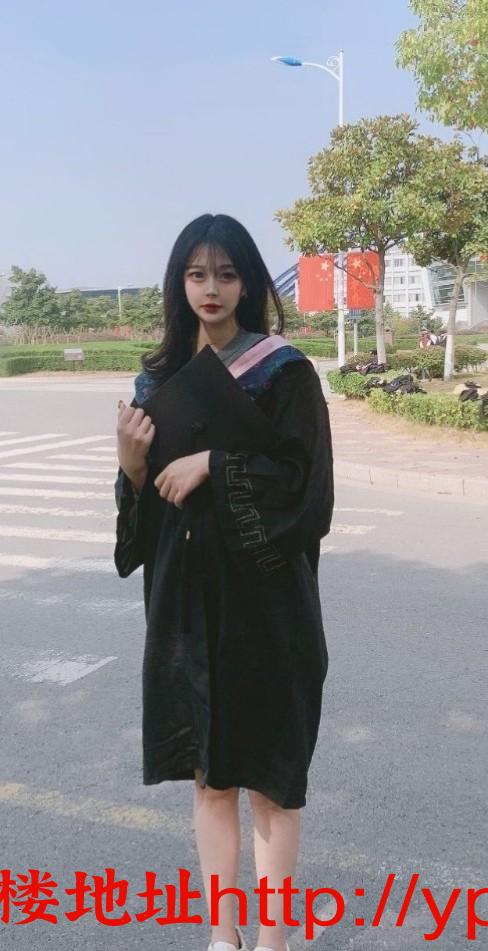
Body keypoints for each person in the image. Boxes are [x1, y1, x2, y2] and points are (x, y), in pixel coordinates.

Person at [114, 214, 334, 951]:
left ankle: (271, 940)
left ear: (250, 283)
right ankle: (223, 933)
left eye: (227, 274)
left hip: (267, 609)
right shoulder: (159, 380)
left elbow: (308, 492)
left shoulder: (283, 374)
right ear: (179, 283)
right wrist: (133, 468)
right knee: (210, 781)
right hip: (186, 607)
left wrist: (215, 463)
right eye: (197, 274)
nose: (211, 288)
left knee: (271, 782)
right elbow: (144, 521)